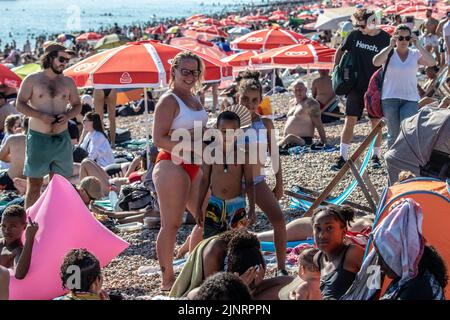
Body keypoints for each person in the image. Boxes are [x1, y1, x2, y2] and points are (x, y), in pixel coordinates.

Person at [152, 51, 208, 291]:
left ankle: (195, 266)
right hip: (171, 163)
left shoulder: (195, 98)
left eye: (194, 72)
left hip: (195, 162)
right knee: (171, 224)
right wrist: (191, 146)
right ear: (173, 71)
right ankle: (167, 279)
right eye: (184, 71)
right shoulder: (169, 100)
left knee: (208, 219)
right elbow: (158, 139)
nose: (189, 76)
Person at [16, 42, 81, 209]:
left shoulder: (68, 82)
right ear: (50, 58)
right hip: (39, 138)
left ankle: (54, 222)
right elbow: (20, 104)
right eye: (61, 58)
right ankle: (29, 226)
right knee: (35, 186)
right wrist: (40, 116)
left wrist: (67, 115)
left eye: (67, 60)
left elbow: (77, 105)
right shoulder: (32, 79)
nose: (64, 63)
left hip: (61, 138)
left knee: (59, 186)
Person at [237, 77, 287, 276]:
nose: (249, 104)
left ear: (260, 101)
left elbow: (275, 155)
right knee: (237, 228)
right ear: (238, 98)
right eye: (245, 99)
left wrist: (279, 183)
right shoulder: (231, 122)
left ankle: (281, 267)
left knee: (279, 219)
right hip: (236, 183)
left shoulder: (265, 124)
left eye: (254, 100)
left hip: (258, 181)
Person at [332, 9, 390, 170]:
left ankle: (376, 156)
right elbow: (340, 50)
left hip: (375, 88)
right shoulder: (354, 35)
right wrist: (335, 70)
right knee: (349, 120)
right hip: (355, 86)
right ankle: (343, 156)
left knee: (375, 123)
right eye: (358, 25)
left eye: (362, 25)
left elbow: (390, 61)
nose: (360, 28)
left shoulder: (385, 38)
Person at [373, 24, 436, 148]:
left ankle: (406, 160)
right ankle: (392, 164)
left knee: (408, 131)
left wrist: (418, 45)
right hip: (390, 98)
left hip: (411, 99)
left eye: (407, 38)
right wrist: (390, 46)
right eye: (400, 38)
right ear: (395, 38)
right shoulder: (389, 53)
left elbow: (432, 62)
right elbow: (375, 62)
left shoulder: (415, 54)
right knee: (393, 133)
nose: (404, 41)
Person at [196, 111, 256, 239]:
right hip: (214, 203)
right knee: (211, 242)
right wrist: (198, 207)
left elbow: (250, 182)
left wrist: (252, 208)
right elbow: (204, 181)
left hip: (237, 204)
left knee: (238, 243)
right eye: (224, 131)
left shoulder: (243, 155)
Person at [312, 205, 365, 300]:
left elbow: (377, 285)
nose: (322, 235)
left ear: (344, 231)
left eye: (329, 228)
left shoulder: (352, 253)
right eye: (318, 229)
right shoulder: (318, 258)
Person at [278, 80, 327, 152]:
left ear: (306, 90)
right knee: (271, 136)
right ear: (293, 91)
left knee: (290, 137)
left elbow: (319, 124)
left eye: (300, 89)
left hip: (303, 140)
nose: (298, 92)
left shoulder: (310, 103)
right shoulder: (292, 103)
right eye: (296, 90)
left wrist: (324, 142)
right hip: (287, 138)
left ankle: (273, 148)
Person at [0, 205, 39, 279]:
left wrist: (29, 238)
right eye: (3, 226)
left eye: (13, 226)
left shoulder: (18, 250)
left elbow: (19, 275)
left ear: (24, 227)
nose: (6, 230)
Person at [0, 117, 28, 191]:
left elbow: (1, 156)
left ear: (22, 126)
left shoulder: (13, 138)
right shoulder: (43, 141)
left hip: (11, 180)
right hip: (32, 182)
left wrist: (15, 159)